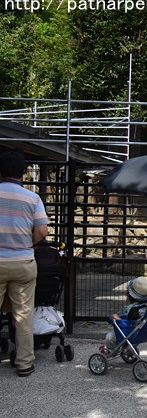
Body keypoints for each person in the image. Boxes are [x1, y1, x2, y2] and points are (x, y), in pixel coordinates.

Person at [0, 150, 49, 377]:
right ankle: (24, 363)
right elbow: (42, 230)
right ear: (24, 173)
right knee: (23, 315)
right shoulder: (32, 198)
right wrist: (26, 243)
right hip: (23, 262)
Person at [99, 276, 147, 355]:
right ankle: (129, 348)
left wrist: (116, 318)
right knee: (133, 333)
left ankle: (110, 351)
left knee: (109, 337)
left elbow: (127, 323)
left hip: (131, 333)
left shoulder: (134, 310)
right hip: (144, 333)